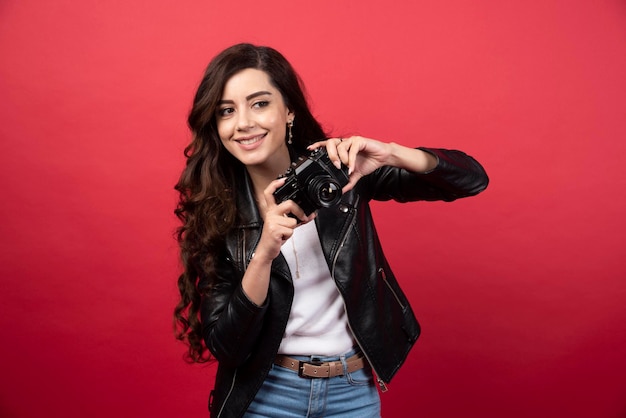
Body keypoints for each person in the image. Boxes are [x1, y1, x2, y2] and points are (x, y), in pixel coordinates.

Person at [174, 43, 489, 418]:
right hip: (265, 395)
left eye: (260, 103)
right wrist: (264, 253)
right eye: (227, 110)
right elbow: (228, 347)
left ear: (288, 110)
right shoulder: (215, 211)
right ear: (216, 124)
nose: (244, 122)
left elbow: (471, 180)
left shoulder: (338, 174)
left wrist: (391, 153)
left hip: (350, 391)